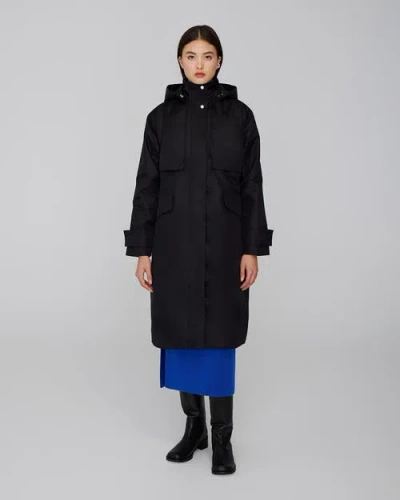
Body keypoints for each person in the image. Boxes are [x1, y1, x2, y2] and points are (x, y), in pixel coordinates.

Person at [123, 25, 273, 475]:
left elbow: (252, 185)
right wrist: (142, 250)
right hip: (173, 246)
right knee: (181, 337)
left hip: (226, 246)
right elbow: (147, 187)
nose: (200, 64)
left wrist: (252, 248)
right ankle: (194, 428)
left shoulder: (240, 117)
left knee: (220, 339)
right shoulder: (160, 119)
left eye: (208, 55)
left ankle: (223, 437)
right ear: (180, 61)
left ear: (220, 60)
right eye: (191, 55)